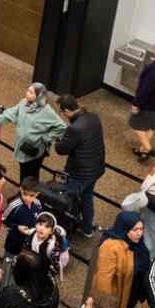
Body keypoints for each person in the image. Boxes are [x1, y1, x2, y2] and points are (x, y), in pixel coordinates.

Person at [0, 83, 67, 182]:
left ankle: (30, 193)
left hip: (35, 151)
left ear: (39, 96)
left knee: (32, 175)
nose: (27, 94)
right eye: (28, 91)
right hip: (23, 147)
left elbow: (62, 127)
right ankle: (24, 191)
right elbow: (8, 115)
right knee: (23, 172)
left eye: (31, 92)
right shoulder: (23, 103)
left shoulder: (47, 111)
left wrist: (46, 137)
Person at [85, 211, 150, 308]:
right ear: (124, 229)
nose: (139, 233)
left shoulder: (138, 245)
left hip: (128, 301)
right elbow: (103, 280)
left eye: (141, 229)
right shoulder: (111, 247)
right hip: (115, 303)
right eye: (135, 230)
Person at [54, 94, 105, 236]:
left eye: (62, 112)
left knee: (69, 200)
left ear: (67, 110)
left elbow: (61, 149)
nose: (63, 115)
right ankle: (87, 228)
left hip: (79, 173)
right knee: (88, 198)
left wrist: (59, 139)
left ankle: (65, 229)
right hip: (95, 169)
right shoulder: (94, 117)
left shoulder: (74, 128)